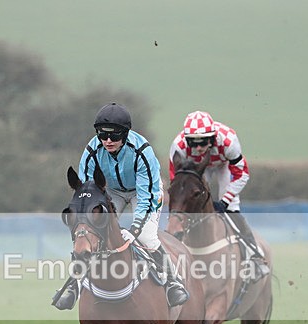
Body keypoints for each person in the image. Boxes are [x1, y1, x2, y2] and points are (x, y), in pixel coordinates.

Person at [52, 102, 189, 311]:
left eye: (114, 136)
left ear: (125, 134)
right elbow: (87, 193)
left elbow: (146, 198)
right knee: (91, 235)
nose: (108, 141)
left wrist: (134, 230)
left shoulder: (142, 152)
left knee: (146, 236)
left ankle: (173, 282)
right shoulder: (91, 151)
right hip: (110, 192)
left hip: (142, 192)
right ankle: (74, 286)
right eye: (103, 135)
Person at [168, 110, 263, 261]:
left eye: (204, 141)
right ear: (186, 140)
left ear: (212, 138)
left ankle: (253, 252)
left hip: (223, 165)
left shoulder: (229, 141)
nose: (199, 148)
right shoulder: (178, 146)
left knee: (232, 207)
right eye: (193, 142)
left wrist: (225, 201)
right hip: (196, 170)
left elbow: (241, 174)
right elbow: (177, 181)